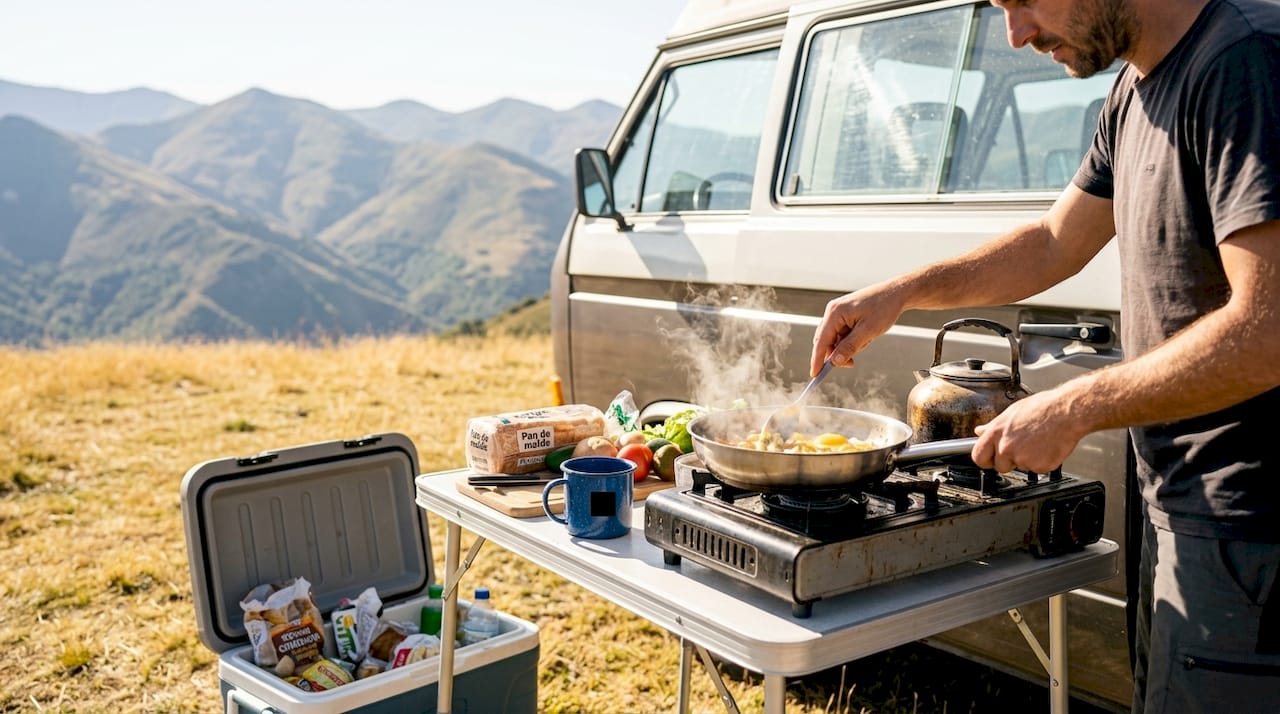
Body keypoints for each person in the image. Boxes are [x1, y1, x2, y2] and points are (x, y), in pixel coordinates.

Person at [808, 0, 1280, 712]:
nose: (1017, 33)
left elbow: (1269, 330)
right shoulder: (1135, 89)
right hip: (1179, 499)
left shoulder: (1248, 62)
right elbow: (1055, 242)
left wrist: (1077, 403)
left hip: (1253, 523)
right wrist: (902, 293)